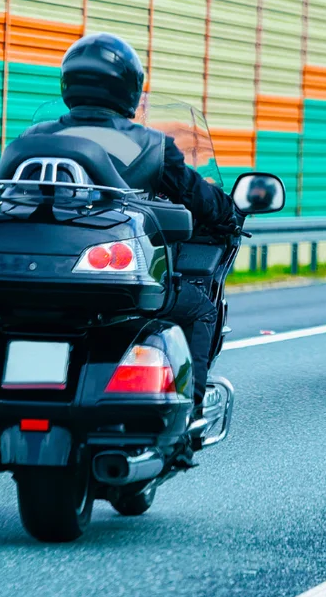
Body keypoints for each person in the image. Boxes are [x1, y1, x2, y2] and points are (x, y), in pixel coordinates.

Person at [23, 32, 238, 416]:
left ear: (68, 82)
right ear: (128, 88)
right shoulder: (148, 145)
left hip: (36, 280)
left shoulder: (34, 137)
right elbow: (196, 196)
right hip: (110, 279)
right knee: (200, 309)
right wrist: (228, 212)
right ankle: (189, 409)